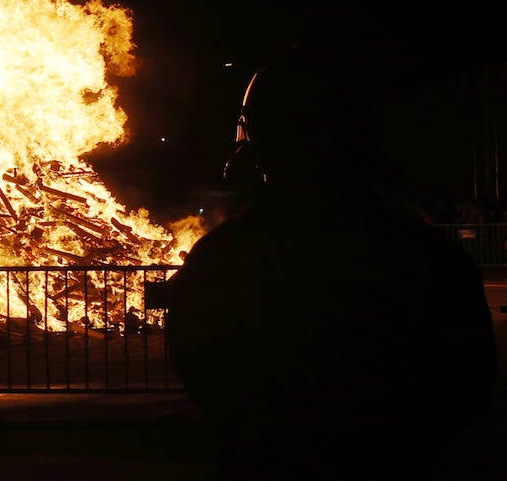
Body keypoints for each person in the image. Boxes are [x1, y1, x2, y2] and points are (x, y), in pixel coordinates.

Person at [165, 35, 498, 480]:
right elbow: (466, 384)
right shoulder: (429, 257)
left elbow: (203, 372)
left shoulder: (225, 257)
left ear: (258, 143)